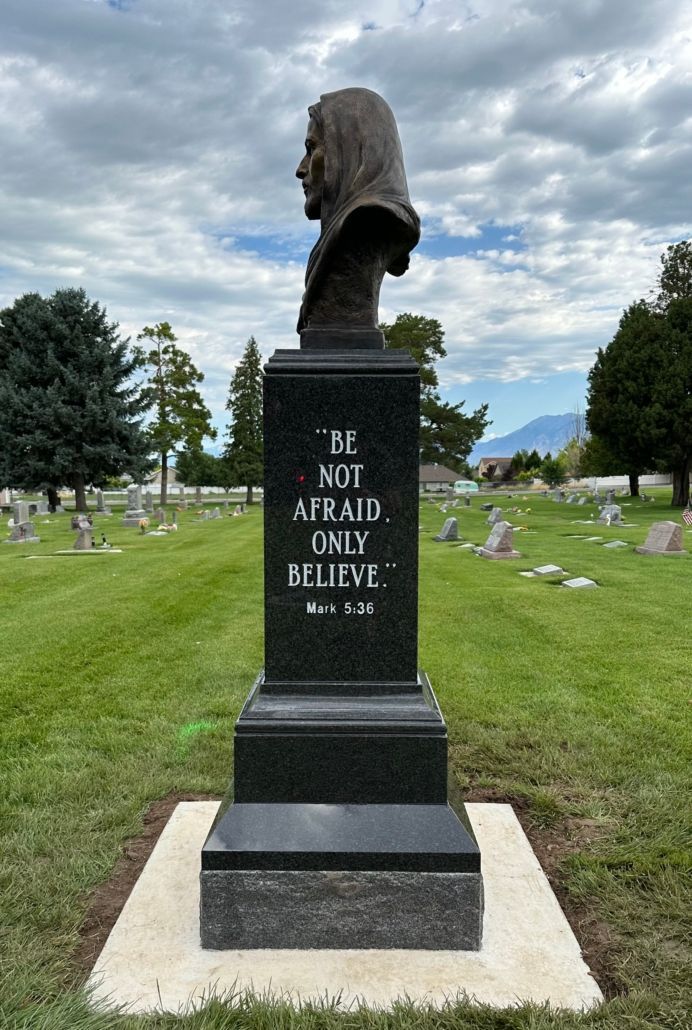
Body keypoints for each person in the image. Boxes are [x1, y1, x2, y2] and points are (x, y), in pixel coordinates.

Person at [295, 87, 420, 339]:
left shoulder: (369, 218)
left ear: (351, 152)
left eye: (311, 149)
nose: (300, 169)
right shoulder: (348, 226)